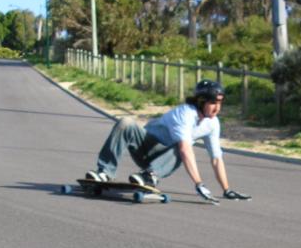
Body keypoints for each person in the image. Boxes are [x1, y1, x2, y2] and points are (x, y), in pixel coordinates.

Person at [86, 80, 252, 203]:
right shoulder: (185, 114)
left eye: (220, 103)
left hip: (163, 160)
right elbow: (185, 150)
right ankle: (105, 172)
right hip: (144, 147)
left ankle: (149, 175)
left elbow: (216, 158)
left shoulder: (213, 124)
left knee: (183, 146)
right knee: (126, 123)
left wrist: (226, 189)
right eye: (212, 103)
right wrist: (198, 184)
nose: (217, 108)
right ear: (201, 101)